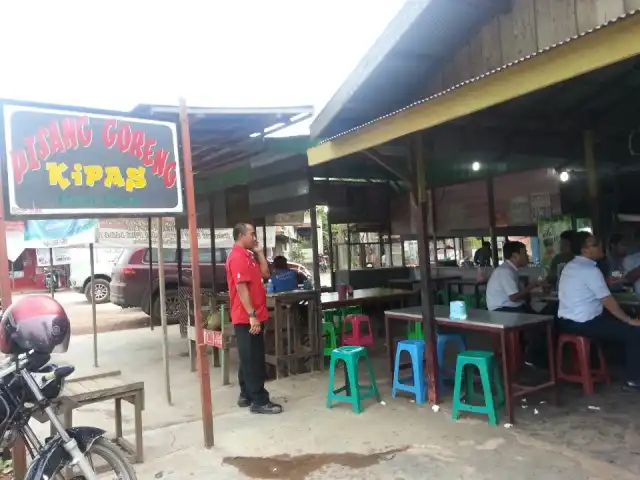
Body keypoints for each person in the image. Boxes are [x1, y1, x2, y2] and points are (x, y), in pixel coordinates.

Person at [557, 231, 640, 392]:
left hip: (567, 322)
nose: (600, 247)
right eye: (594, 245)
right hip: (584, 323)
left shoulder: (571, 266)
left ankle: (605, 364)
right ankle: (634, 380)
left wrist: (609, 282)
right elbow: (608, 301)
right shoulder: (590, 270)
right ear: (584, 250)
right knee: (635, 332)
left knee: (618, 322)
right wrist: (630, 320)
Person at [225, 223, 283, 414]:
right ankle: (259, 400)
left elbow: (266, 274)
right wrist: (252, 316)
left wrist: (259, 252)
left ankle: (246, 394)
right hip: (247, 317)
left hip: (255, 314)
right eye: (252, 234)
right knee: (254, 359)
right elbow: (241, 289)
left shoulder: (248, 255)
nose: (255, 237)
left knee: (248, 356)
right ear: (242, 235)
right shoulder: (237, 257)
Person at [486, 241, 541, 313]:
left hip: (509, 307)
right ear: (515, 256)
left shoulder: (510, 269)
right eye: (524, 253)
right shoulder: (505, 271)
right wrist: (532, 286)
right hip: (502, 310)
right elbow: (514, 297)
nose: (527, 256)